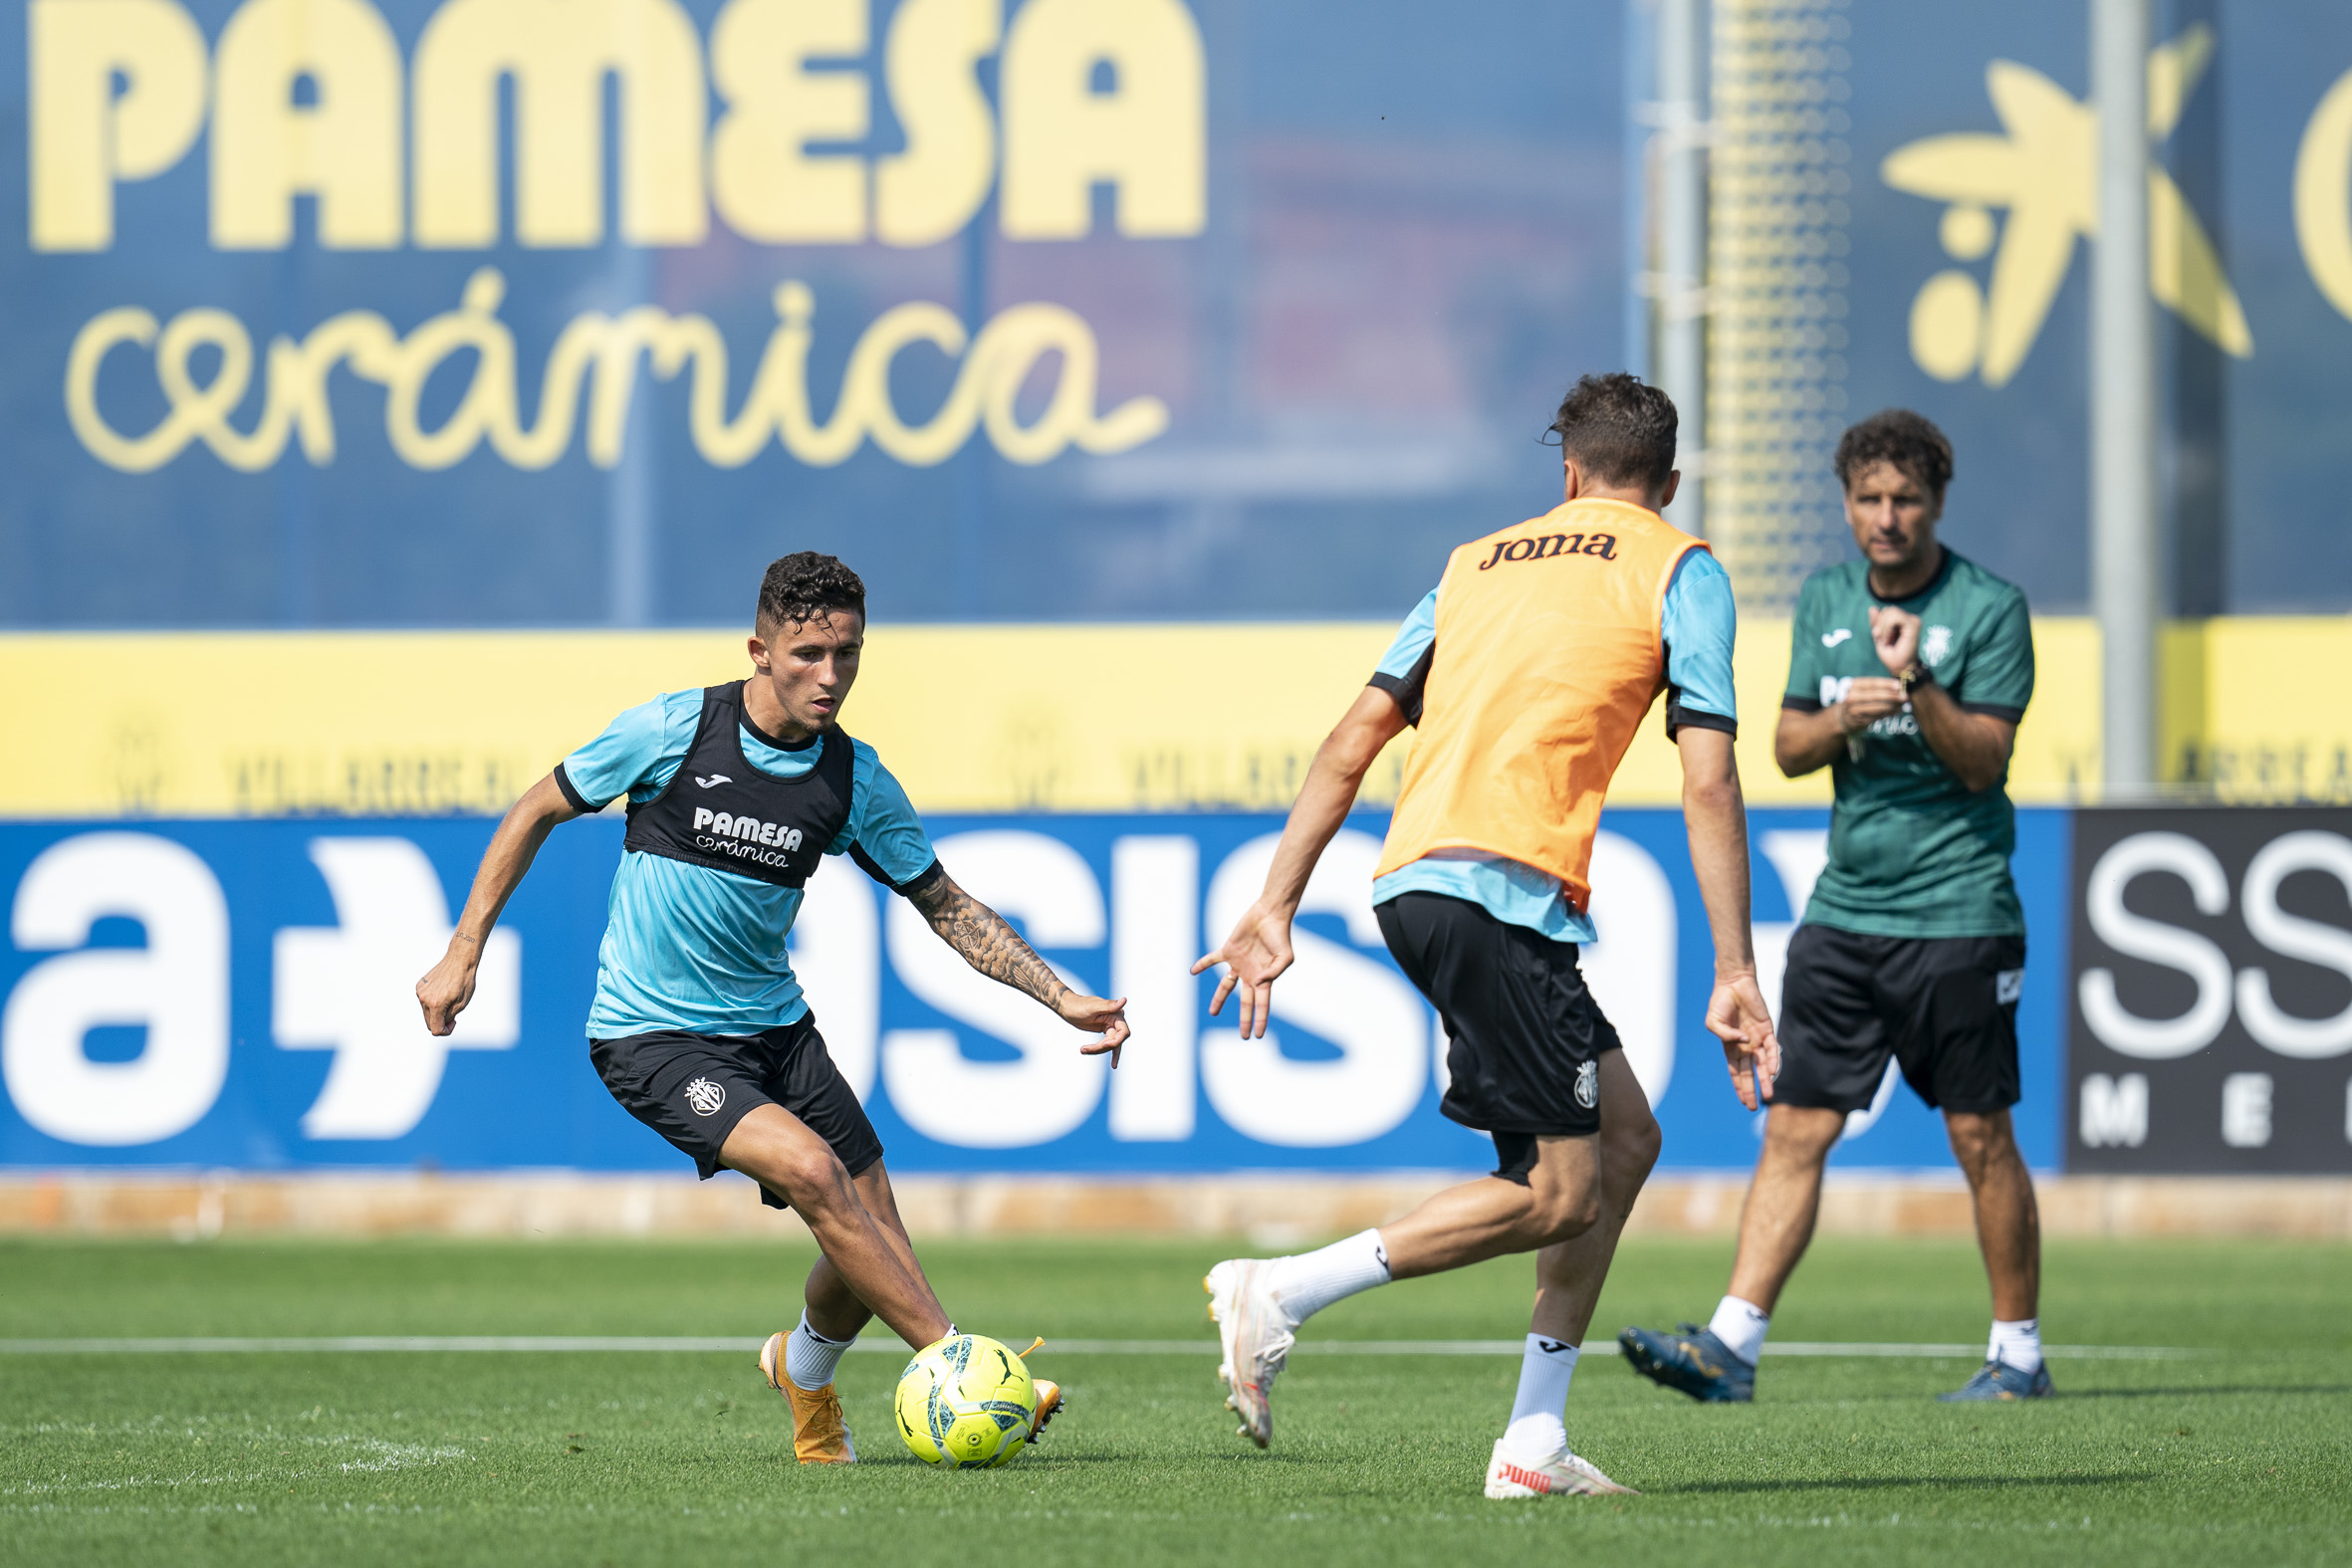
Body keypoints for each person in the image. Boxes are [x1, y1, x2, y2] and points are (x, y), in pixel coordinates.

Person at [1193, 373, 1779, 1498]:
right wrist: (1738, 969)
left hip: (1419, 884)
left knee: (1623, 1145)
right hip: (1496, 894)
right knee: (1558, 1194)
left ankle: (1533, 1444)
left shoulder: (1473, 565)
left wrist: (1273, 904)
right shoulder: (1677, 566)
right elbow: (1708, 784)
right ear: (1665, 482)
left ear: (1565, 475)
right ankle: (1283, 1292)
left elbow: (1352, 738)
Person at [414, 552, 1130, 1461]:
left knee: (871, 1237)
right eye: (807, 654)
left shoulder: (853, 781)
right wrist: (463, 949)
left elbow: (944, 903)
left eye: (848, 654)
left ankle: (804, 1374)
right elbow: (533, 810)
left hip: (776, 1030)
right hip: (654, 1035)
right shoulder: (676, 729)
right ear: (760, 648)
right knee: (815, 1174)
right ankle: (963, 1370)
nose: (830, 676)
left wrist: (1058, 995)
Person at [1619, 409, 2043, 1404]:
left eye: (1904, 499)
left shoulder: (1987, 606)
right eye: (1868, 498)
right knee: (1795, 1126)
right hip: (1844, 912)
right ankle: (1730, 1348)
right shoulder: (1825, 599)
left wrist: (1914, 680)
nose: (1885, 517)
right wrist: (1840, 715)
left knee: (1979, 1136)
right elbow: (1786, 746)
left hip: (1959, 913)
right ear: (1846, 503)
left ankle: (2017, 1355)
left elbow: (1984, 762)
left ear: (1936, 503)